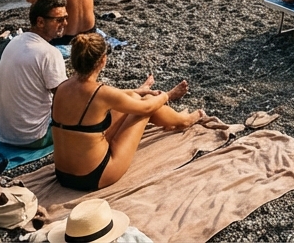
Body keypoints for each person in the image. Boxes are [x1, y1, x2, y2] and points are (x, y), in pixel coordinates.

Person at [51, 33, 202, 192]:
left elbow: (110, 97)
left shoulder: (62, 88)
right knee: (145, 105)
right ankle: (184, 121)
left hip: (62, 175)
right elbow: (146, 108)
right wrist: (166, 96)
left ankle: (174, 118)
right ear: (103, 60)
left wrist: (138, 91)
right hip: (95, 176)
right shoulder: (102, 93)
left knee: (134, 97)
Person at [0, 0, 69, 149]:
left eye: (65, 18)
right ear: (40, 22)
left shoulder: (15, 41)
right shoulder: (49, 53)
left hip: (6, 133)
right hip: (33, 137)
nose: (65, 23)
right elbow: (63, 99)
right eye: (59, 20)